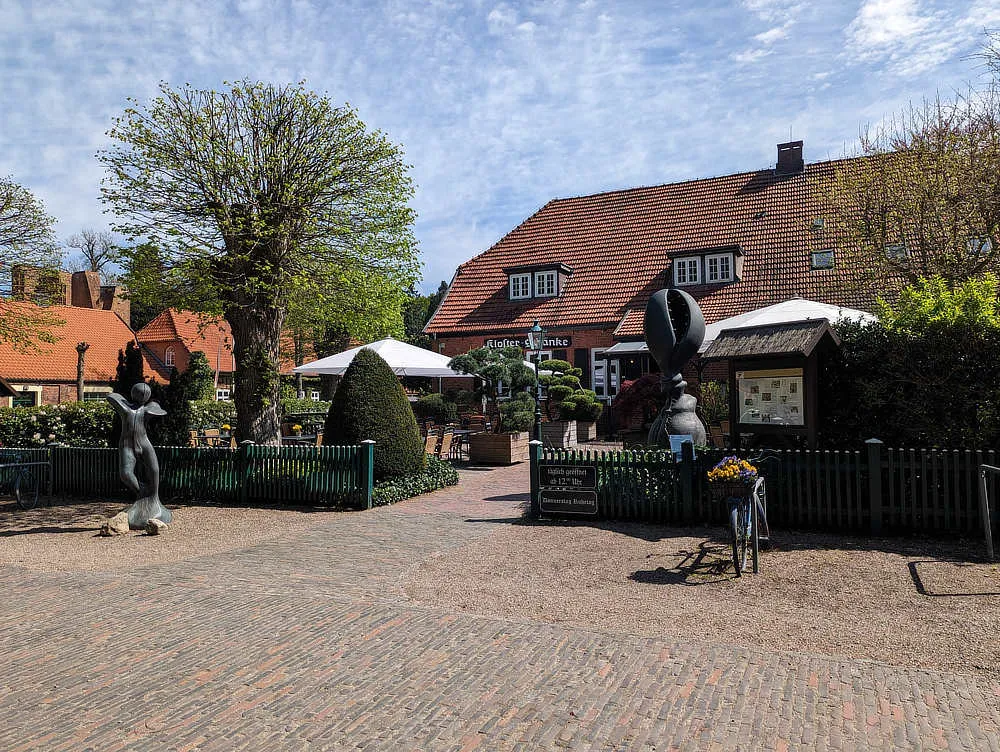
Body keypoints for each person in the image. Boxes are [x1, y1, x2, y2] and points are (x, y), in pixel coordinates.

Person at [107, 383, 171, 528]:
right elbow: (111, 397)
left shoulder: (148, 409)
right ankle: (143, 493)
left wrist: (152, 407)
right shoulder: (125, 408)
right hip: (127, 445)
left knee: (154, 469)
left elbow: (160, 410)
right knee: (126, 474)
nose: (142, 396)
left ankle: (154, 498)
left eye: (145, 394)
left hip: (144, 443)